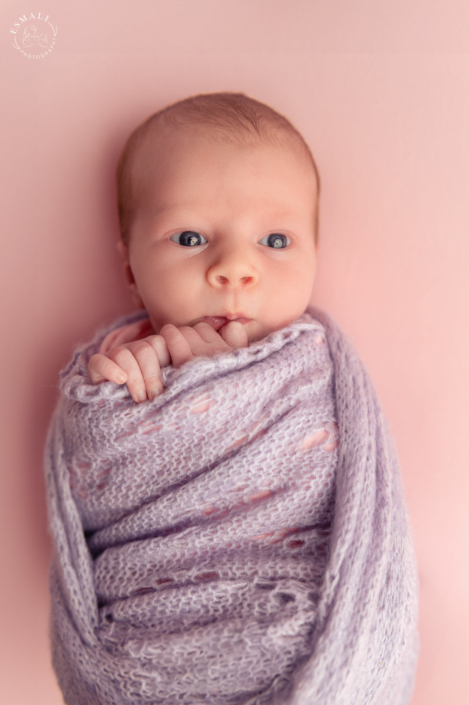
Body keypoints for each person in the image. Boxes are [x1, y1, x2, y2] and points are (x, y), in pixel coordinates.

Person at [87, 92, 320, 403]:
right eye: (190, 239)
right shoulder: (128, 363)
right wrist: (113, 391)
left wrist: (219, 388)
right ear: (132, 274)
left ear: (314, 262)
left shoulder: (322, 372)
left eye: (275, 241)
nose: (234, 268)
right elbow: (89, 445)